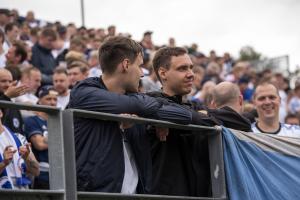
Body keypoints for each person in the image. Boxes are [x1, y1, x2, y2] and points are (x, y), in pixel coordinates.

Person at [68, 36, 203, 194]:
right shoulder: (84, 92)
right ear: (125, 65)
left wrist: (151, 117)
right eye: (139, 66)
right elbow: (139, 104)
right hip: (97, 194)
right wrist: (148, 110)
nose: (142, 74)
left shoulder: (136, 102)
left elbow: (184, 116)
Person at [24, 85, 58, 189]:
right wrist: (59, 138)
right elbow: (39, 144)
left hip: (59, 173)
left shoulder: (59, 121)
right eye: (48, 99)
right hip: (41, 174)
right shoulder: (32, 120)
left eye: (55, 99)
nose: (52, 102)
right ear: (39, 100)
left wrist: (47, 140)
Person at [0, 108, 39, 189]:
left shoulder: (19, 138)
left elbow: (36, 172)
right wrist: (4, 163)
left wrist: (27, 158)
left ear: (0, 113)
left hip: (22, 193)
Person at [0, 69, 28, 136]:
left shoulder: (13, 106)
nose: (8, 85)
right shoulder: (7, 99)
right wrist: (6, 97)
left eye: (10, 81)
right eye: (3, 81)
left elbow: (20, 134)